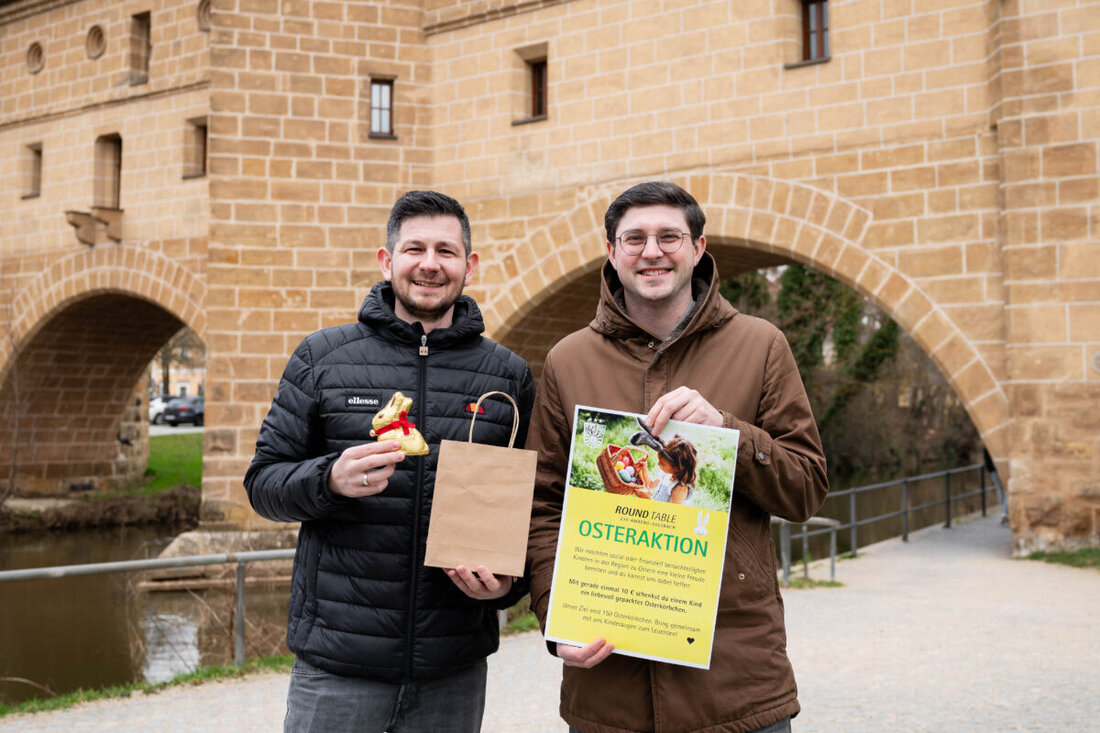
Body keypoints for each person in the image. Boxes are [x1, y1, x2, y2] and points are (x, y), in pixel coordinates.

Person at [526, 181, 829, 733]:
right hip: (609, 688)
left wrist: (729, 436)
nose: (652, 251)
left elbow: (806, 488)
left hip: (735, 682)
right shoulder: (567, 361)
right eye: (634, 238)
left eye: (670, 236)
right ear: (612, 252)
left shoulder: (760, 345)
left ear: (698, 248)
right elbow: (541, 508)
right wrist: (555, 617)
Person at [245, 190, 535, 732]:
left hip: (453, 667)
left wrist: (507, 587)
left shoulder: (509, 376)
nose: (430, 264)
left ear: (469, 267)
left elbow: (529, 509)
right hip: (338, 666)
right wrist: (328, 478)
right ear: (387, 261)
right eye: (414, 249)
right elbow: (263, 483)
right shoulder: (323, 357)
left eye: (446, 251)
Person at [639, 435, 698, 504]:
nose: (658, 464)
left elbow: (670, 512)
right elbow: (651, 485)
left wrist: (648, 499)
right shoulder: (666, 473)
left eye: (662, 464)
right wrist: (644, 468)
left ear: (677, 468)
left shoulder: (680, 488)